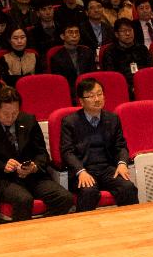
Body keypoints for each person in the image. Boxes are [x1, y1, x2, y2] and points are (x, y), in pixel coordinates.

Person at [0, 87, 72, 222]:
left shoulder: (28, 120)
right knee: (24, 199)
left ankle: (43, 228)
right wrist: (3, 166)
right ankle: (22, 237)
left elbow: (42, 153)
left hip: (32, 175)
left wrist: (34, 166)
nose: (11, 117)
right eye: (6, 114)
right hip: (4, 179)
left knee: (65, 198)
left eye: (15, 113)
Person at [58, 78, 138, 211]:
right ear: (81, 101)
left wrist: (122, 163)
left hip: (107, 169)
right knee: (89, 191)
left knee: (127, 187)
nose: (97, 99)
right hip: (84, 169)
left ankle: (130, 225)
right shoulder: (70, 122)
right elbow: (67, 152)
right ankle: (85, 228)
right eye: (91, 96)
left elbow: (121, 146)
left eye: (99, 94)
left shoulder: (113, 119)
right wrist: (80, 171)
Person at [101, 18, 152, 92]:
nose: (128, 34)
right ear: (116, 34)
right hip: (122, 89)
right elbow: (112, 77)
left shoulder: (142, 48)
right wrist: (131, 89)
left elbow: (150, 70)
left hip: (144, 86)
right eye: (124, 31)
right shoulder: (110, 52)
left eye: (130, 30)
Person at [49, 23, 97, 97]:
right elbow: (59, 82)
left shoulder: (87, 52)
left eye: (76, 32)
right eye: (70, 32)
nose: (74, 35)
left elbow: (93, 75)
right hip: (67, 92)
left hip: (88, 89)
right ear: (62, 36)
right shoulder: (56, 57)